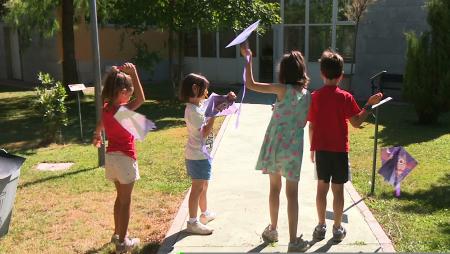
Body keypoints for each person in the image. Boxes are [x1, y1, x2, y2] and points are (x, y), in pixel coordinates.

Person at [307, 49, 382, 242]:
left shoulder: (315, 96)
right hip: (339, 151)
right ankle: (337, 228)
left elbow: (312, 125)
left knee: (321, 189)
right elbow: (356, 122)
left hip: (322, 150)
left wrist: (312, 148)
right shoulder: (346, 97)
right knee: (338, 190)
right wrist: (369, 105)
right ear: (341, 76)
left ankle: (321, 226)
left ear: (322, 74)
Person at [241, 45, 311, 252]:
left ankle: (272, 230)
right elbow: (303, 122)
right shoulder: (308, 95)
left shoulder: (281, 89)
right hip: (294, 148)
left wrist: (249, 58)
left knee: (274, 189)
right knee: (292, 195)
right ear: (301, 71)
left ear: (283, 71)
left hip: (276, 144)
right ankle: (293, 241)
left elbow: (250, 84)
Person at [92, 63, 145, 254]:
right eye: (129, 92)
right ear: (122, 92)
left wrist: (97, 135)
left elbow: (100, 124)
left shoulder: (107, 108)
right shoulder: (124, 110)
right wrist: (135, 73)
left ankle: (117, 234)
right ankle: (123, 243)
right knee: (126, 201)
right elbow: (142, 98)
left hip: (112, 159)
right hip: (125, 159)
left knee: (119, 199)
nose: (131, 96)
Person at [179, 73, 236, 235]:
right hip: (197, 156)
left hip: (202, 155)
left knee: (203, 186)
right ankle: (192, 222)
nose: (207, 93)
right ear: (195, 89)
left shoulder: (198, 106)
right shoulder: (193, 111)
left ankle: (204, 214)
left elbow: (211, 103)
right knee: (197, 188)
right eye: (205, 90)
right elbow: (204, 132)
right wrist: (214, 115)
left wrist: (226, 97)